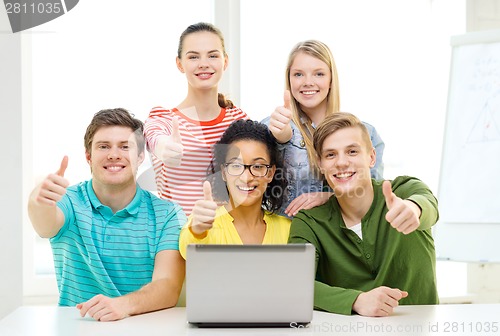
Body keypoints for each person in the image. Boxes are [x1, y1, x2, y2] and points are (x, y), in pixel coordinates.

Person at [28, 108, 186, 322]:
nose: (114, 154)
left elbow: (167, 287)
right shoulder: (69, 201)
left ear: (140, 156)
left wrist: (121, 306)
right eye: (103, 146)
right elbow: (44, 225)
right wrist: (39, 200)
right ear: (88, 156)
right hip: (77, 328)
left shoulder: (167, 214)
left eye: (125, 146)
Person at [288, 112, 439, 317]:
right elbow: (293, 284)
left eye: (352, 151)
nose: (341, 162)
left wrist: (413, 209)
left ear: (371, 157)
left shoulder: (403, 191)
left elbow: (427, 204)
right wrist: (356, 300)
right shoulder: (309, 221)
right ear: (320, 164)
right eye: (331, 155)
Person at [262, 40, 385, 217]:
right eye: (298, 74)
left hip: (340, 239)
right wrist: (279, 142)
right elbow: (254, 187)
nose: (308, 82)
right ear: (289, 79)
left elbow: (373, 197)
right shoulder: (272, 126)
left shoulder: (366, 133)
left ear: (331, 79)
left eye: (319, 74)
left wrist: (330, 197)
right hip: (288, 237)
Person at [144, 22, 248, 216]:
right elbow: (155, 137)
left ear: (225, 62)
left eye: (212, 55)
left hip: (226, 239)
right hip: (178, 239)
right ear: (179, 64)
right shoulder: (164, 117)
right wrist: (166, 148)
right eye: (193, 56)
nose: (204, 63)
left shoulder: (239, 120)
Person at [179, 119, 290, 259]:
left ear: (270, 173)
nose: (246, 178)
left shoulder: (287, 229)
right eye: (236, 166)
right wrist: (197, 230)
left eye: (257, 166)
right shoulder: (203, 223)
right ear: (224, 172)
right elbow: (188, 247)